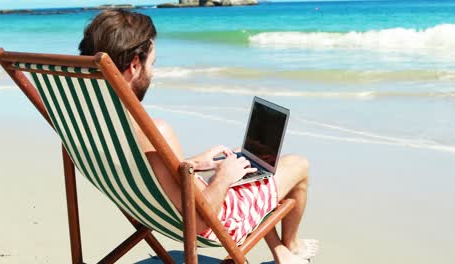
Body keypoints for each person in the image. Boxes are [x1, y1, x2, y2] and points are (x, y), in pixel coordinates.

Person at [79, 9, 318, 263]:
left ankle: (280, 249)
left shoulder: (93, 124)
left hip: (156, 212)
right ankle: (290, 246)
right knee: (297, 165)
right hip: (218, 220)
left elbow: (152, 169)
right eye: (152, 64)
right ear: (135, 65)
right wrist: (224, 176)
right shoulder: (154, 130)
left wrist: (191, 164)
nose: (153, 72)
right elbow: (202, 220)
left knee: (248, 165)